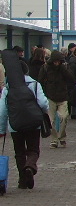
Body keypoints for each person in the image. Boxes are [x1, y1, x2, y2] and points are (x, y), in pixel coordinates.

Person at [0, 60, 49, 189]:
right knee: (33, 149)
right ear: (26, 71)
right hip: (33, 123)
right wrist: (43, 112)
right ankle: (30, 166)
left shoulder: (8, 88)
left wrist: (2, 129)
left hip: (15, 125)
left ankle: (22, 181)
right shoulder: (34, 84)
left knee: (19, 152)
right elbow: (43, 103)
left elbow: (3, 110)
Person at [38, 50, 75, 148]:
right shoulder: (45, 68)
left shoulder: (64, 67)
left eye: (59, 61)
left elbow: (72, 78)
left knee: (64, 117)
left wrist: (64, 69)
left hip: (63, 97)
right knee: (51, 120)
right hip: (50, 97)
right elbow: (40, 81)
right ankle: (54, 140)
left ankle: (62, 137)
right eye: (55, 61)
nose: (57, 63)